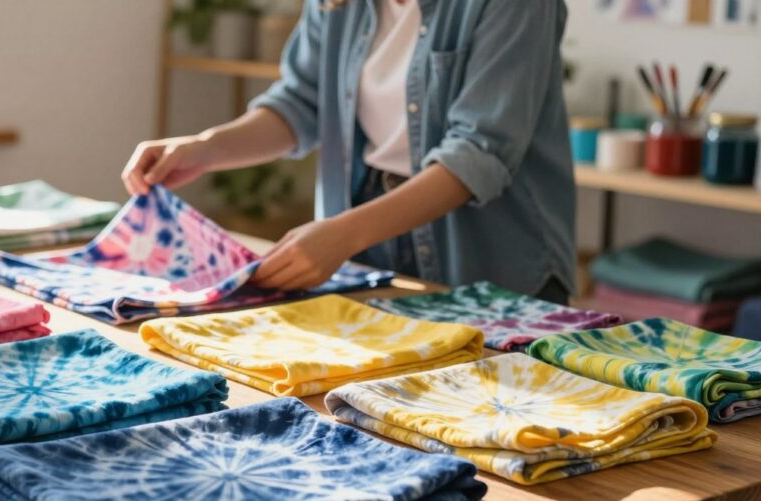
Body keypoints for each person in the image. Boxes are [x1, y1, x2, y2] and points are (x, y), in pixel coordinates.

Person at [122, 0, 575, 304]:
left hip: (487, 253)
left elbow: (478, 153)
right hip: (368, 242)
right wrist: (205, 148)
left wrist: (343, 235)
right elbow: (301, 103)